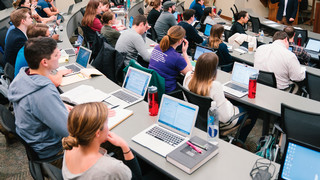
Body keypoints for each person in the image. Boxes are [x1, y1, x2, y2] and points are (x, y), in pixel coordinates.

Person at [8, 37, 72, 167]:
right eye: (56, 54)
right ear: (44, 62)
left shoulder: (24, 76)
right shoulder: (43, 93)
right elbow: (69, 131)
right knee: (107, 139)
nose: (59, 54)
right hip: (54, 153)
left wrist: (60, 106)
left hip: (38, 144)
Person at [183, 52, 256, 143]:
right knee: (253, 110)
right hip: (216, 122)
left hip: (197, 118)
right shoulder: (215, 86)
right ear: (213, 70)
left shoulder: (187, 78)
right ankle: (240, 142)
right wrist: (226, 102)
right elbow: (225, 118)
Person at [62, 102, 142, 179]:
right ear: (97, 133)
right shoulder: (113, 168)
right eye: (107, 124)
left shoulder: (70, 147)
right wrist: (124, 146)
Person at [148, 25, 192, 92]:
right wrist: (184, 52)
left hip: (152, 85)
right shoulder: (177, 58)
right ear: (180, 41)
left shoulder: (157, 47)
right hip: (167, 90)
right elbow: (190, 74)